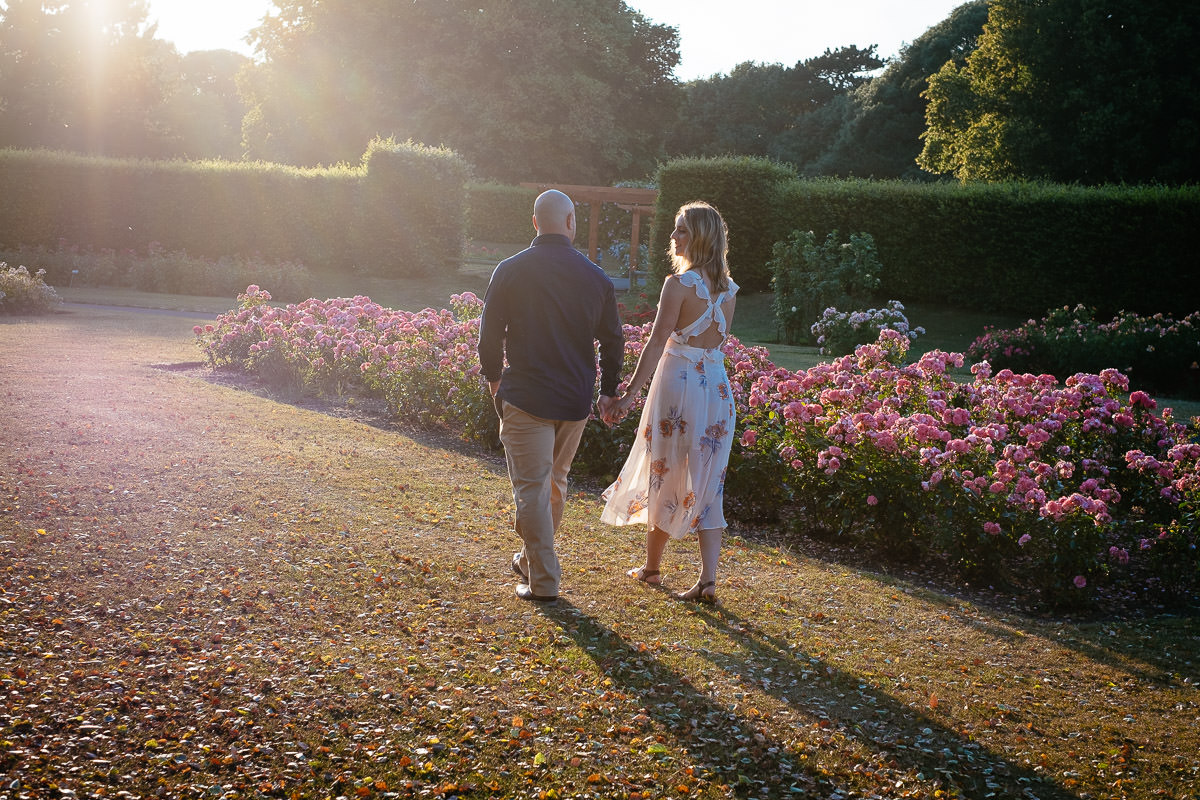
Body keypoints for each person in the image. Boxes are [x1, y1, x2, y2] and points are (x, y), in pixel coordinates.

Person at [478, 189, 625, 603]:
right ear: (572, 222)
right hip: (574, 400)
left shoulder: (510, 270)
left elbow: (488, 336)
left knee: (532, 489)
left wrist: (495, 386)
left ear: (535, 222)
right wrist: (609, 391)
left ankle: (543, 581)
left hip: (526, 396)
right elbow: (613, 342)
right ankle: (529, 561)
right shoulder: (596, 277)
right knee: (552, 485)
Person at [600, 201, 737, 604]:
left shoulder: (677, 286)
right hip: (717, 391)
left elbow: (658, 342)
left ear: (700, 237)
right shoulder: (730, 291)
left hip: (680, 387)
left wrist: (627, 396)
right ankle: (707, 581)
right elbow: (717, 344)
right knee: (710, 480)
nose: (673, 237)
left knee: (665, 469)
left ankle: (652, 569)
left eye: (681, 230)